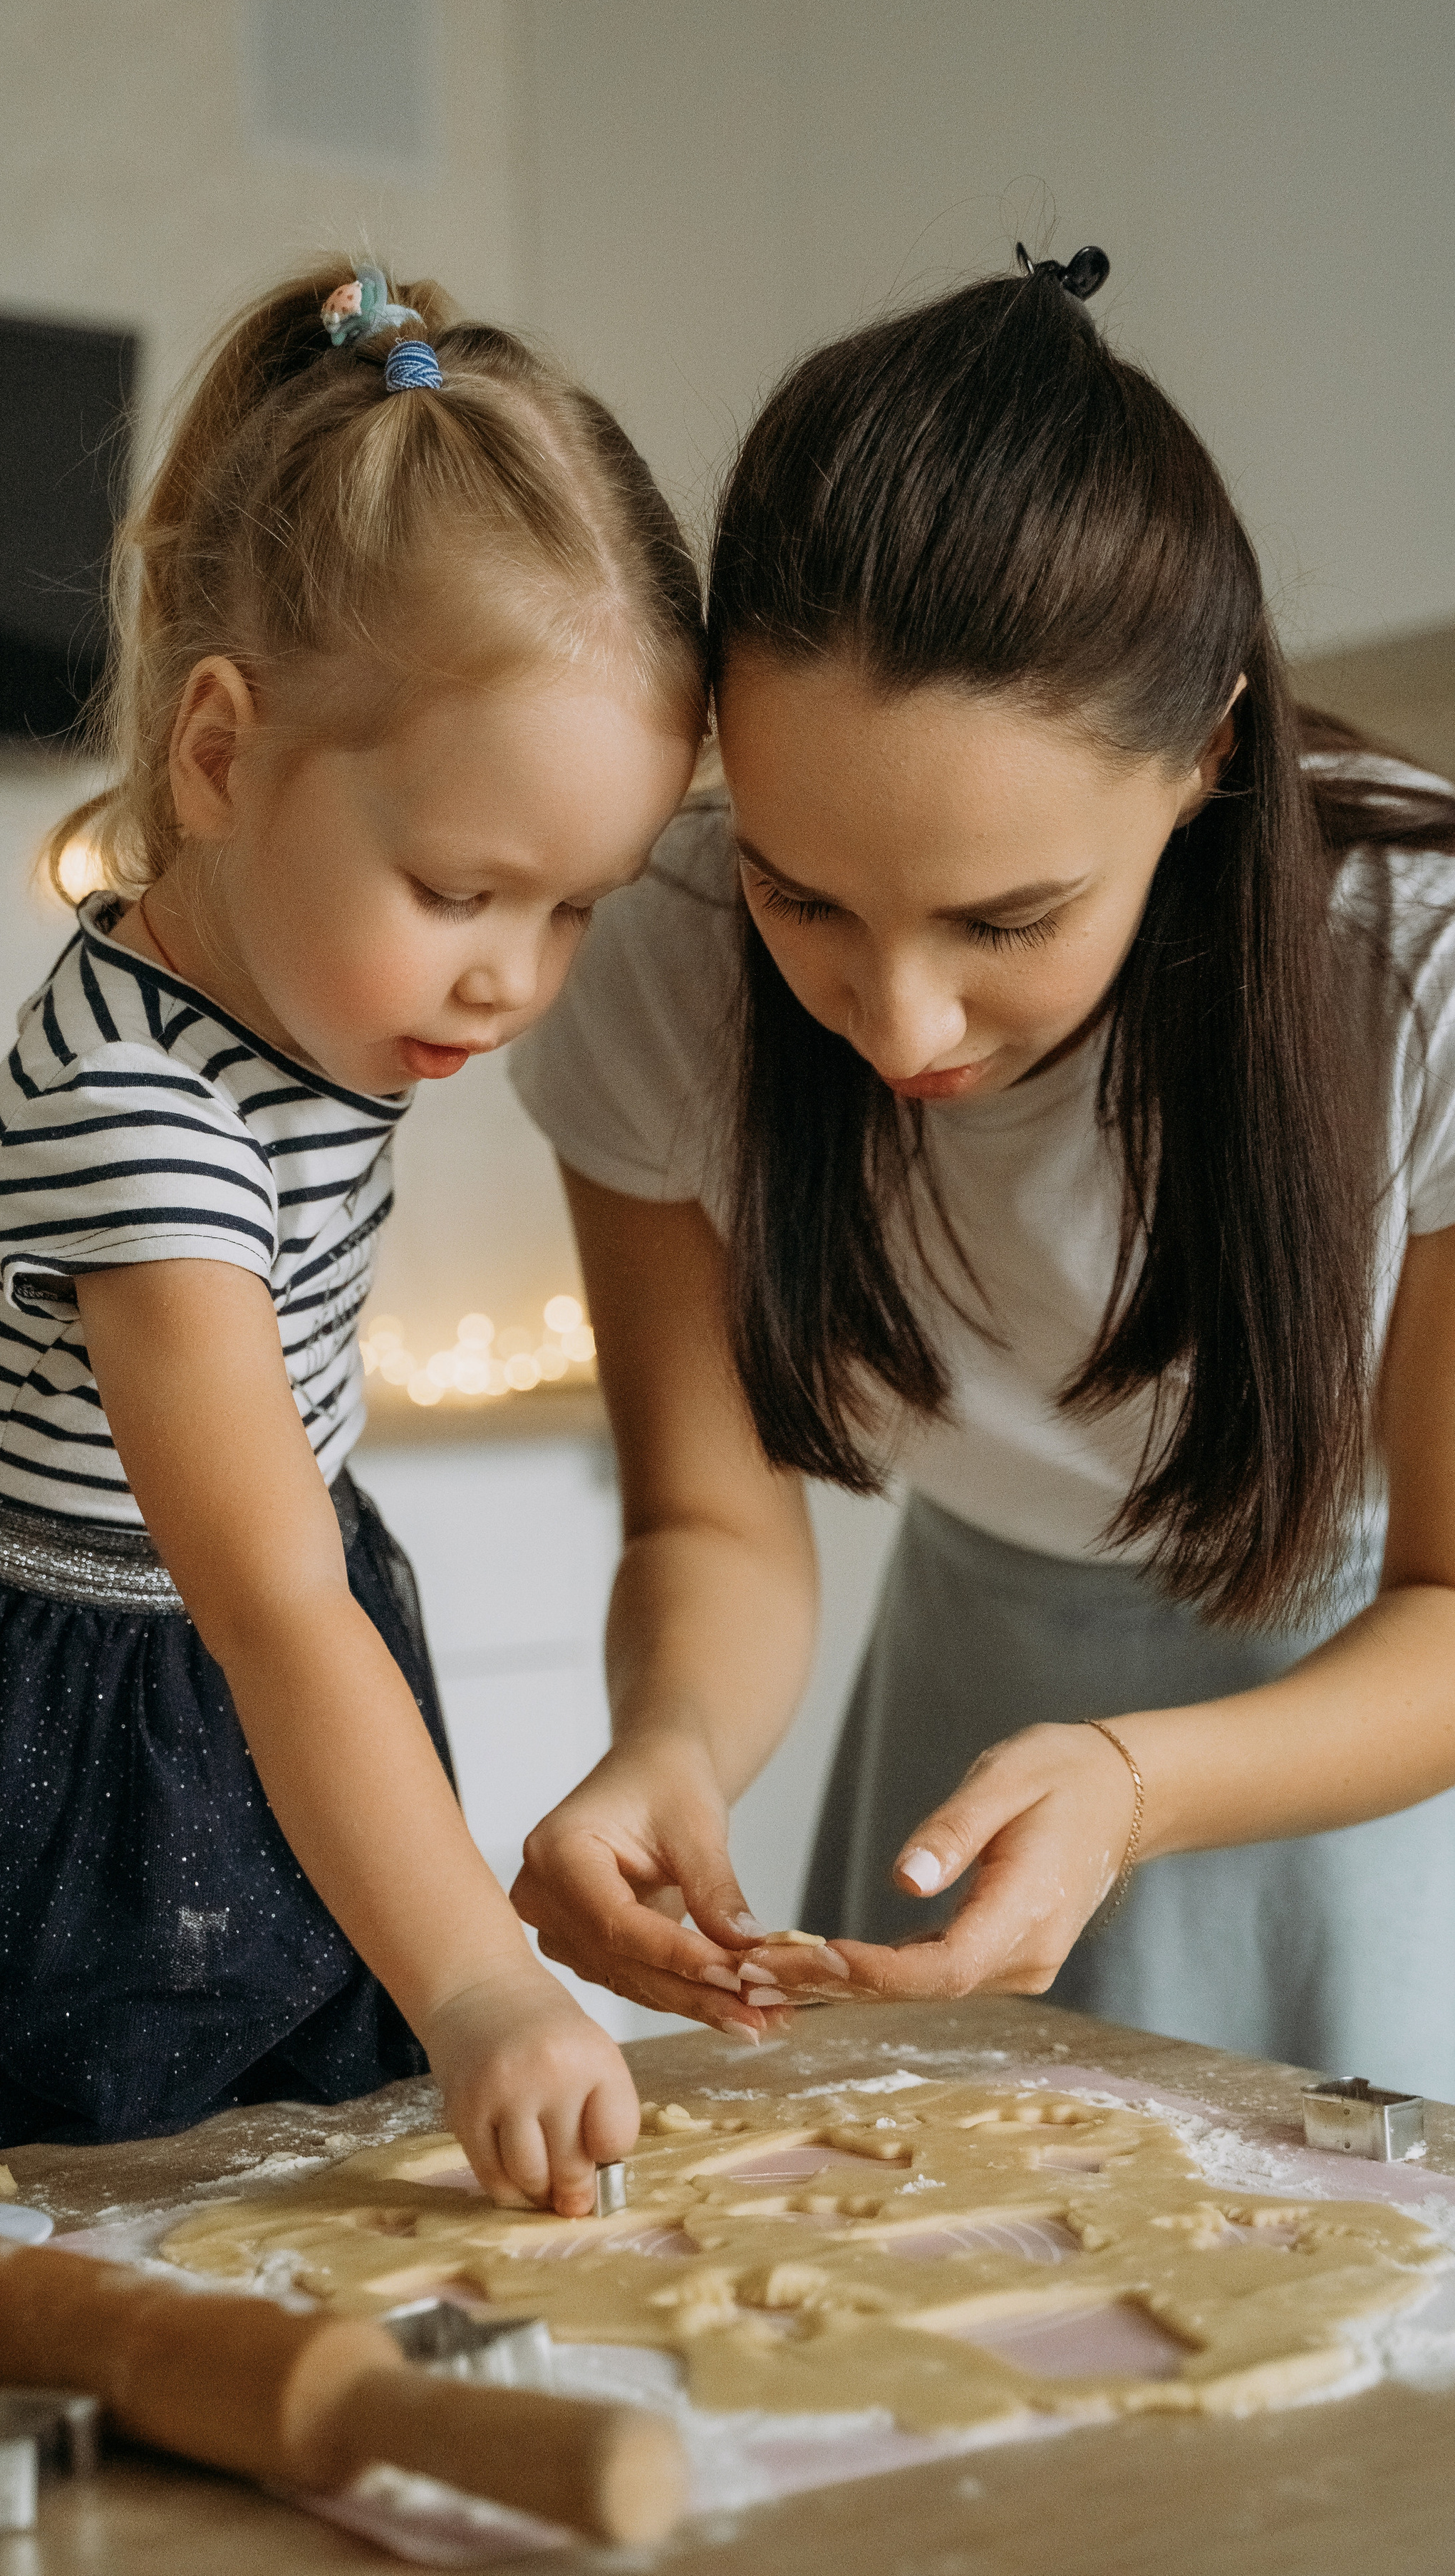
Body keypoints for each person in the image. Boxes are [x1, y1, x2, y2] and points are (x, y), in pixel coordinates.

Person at [0, 262, 715, 2206]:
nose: (514, 981)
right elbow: (271, 1612)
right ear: (220, 753)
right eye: (462, 888)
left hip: (247, 1647)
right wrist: (482, 1979)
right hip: (49, 1737)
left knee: (286, 2200)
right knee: (51, 2233)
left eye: (575, 910)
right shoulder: (130, 1123)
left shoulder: (316, 1019)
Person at [507, 246, 1455, 2096]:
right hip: (965, 1679)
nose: (901, 1018)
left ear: (1208, 759)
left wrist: (1132, 1782)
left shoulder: (1416, 970)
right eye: (805, 895)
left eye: (1006, 918)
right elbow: (710, 1525)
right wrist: (670, 1751)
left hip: (1356, 1743)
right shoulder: (658, 953)